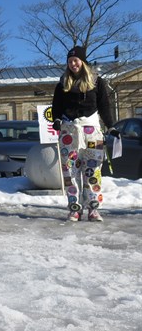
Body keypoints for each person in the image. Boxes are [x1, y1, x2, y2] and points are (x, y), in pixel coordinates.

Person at [51, 46, 118, 222]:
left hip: (92, 132)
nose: (73, 64)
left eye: (76, 60)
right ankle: (74, 208)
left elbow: (104, 106)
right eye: (70, 61)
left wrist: (110, 126)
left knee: (93, 171)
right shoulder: (62, 83)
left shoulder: (97, 81)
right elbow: (56, 107)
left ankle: (93, 209)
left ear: (82, 61)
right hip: (69, 132)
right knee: (70, 171)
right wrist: (57, 120)